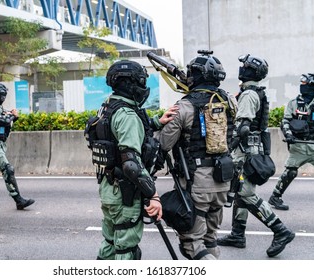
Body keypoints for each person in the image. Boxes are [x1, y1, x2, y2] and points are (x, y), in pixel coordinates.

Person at [88, 60, 177, 260]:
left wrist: (156, 122)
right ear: (130, 84)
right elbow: (131, 164)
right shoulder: (128, 115)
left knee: (110, 243)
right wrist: (153, 195)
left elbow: (118, 133)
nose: (144, 87)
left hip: (109, 189)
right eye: (141, 82)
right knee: (126, 250)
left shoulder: (108, 107)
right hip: (124, 194)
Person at [158, 50, 236, 260]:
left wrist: (157, 124)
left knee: (192, 244)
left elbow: (164, 143)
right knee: (210, 239)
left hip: (197, 182)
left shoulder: (183, 106)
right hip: (224, 178)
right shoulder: (228, 101)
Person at [217, 54, 295, 257]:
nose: (241, 68)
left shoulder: (250, 94)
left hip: (245, 152)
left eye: (244, 66)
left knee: (245, 193)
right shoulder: (253, 92)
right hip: (252, 149)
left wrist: (228, 148)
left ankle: (281, 230)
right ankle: (237, 234)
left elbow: (243, 127)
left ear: (249, 71)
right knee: (240, 191)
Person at [268, 73, 314, 210]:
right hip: (298, 146)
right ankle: (275, 197)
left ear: (313, 87)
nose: (302, 87)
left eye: (305, 84)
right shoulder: (293, 103)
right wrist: (288, 134)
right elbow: (285, 121)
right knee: (290, 172)